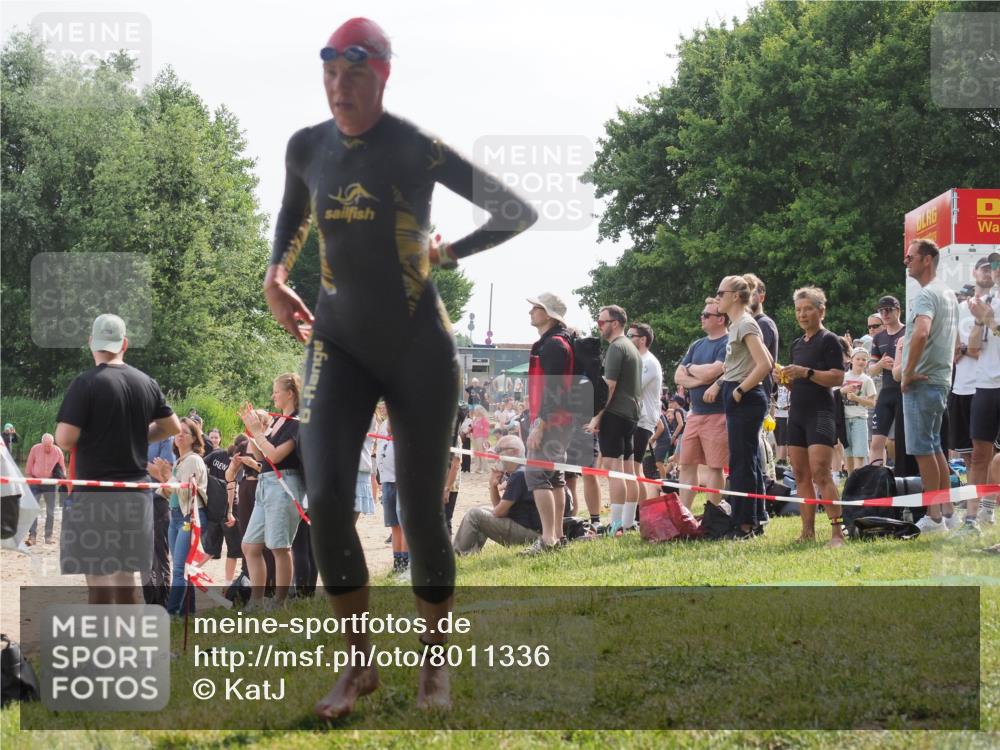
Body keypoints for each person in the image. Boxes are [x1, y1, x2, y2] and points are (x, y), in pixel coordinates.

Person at [264, 16, 537, 718]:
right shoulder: (307, 147)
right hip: (338, 343)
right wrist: (273, 276)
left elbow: (514, 209)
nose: (338, 87)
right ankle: (358, 667)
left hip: (420, 347)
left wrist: (452, 252)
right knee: (324, 499)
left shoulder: (414, 146)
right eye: (329, 73)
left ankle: (433, 670)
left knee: (421, 509)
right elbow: (291, 219)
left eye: (354, 74)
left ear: (381, 74)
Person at [55, 313, 181, 604]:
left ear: (91, 343)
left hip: (95, 495)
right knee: (126, 580)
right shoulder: (146, 382)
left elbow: (64, 438)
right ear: (124, 343)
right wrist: (138, 437)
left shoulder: (85, 383)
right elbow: (171, 427)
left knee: (99, 581)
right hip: (135, 494)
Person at [706, 276, 773, 537]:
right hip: (740, 396)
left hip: (745, 398)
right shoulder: (740, 324)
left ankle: (745, 523)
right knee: (748, 461)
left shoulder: (745, 323)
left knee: (742, 463)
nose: (717, 297)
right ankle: (755, 519)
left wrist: (740, 390)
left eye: (720, 293)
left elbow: (764, 365)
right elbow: (766, 358)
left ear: (735, 296)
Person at [897, 240, 957, 533]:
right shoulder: (947, 292)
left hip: (922, 382)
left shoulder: (926, 295)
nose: (906, 261)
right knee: (935, 448)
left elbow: (921, 333)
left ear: (927, 260)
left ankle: (934, 517)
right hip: (940, 379)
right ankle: (947, 512)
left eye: (910, 257)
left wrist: (907, 372)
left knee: (923, 449)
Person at [779, 287, 846, 546]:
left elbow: (837, 377)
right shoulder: (797, 344)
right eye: (798, 310)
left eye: (807, 309)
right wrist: (786, 379)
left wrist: (805, 372)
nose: (802, 314)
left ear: (821, 310)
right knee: (800, 474)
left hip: (821, 412)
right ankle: (807, 531)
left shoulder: (829, 340)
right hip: (797, 413)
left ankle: (837, 533)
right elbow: (799, 382)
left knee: (821, 473)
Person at [238, 374, 306, 608]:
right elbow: (262, 456)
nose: (272, 396)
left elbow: (277, 455)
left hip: (284, 486)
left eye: (276, 391)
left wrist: (258, 432)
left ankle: (280, 602)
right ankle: (257, 601)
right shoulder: (278, 421)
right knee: (250, 545)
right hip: (265, 484)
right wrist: (252, 432)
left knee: (279, 546)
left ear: (290, 393)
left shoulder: (297, 422)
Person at [453, 435, 568, 554]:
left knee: (474, 514)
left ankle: (460, 553)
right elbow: (500, 509)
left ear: (514, 452)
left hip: (531, 534)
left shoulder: (519, 475)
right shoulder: (520, 471)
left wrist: (493, 487)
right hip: (532, 529)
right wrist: (493, 486)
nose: (496, 455)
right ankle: (470, 551)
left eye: (499, 450)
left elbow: (498, 512)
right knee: (482, 510)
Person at [524, 293, 575, 552]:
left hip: (552, 420)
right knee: (554, 478)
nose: (531, 311)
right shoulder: (556, 341)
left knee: (537, 476)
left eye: (536, 308)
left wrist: (540, 424)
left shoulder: (554, 344)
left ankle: (547, 539)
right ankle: (556, 537)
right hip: (561, 420)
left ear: (549, 314)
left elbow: (555, 389)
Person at [588, 305, 642, 535]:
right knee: (628, 469)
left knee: (614, 470)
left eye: (602, 322)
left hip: (616, 414)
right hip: (630, 414)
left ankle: (617, 525)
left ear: (616, 323)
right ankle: (628, 523)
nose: (599, 326)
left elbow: (609, 386)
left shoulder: (617, 348)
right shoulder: (631, 347)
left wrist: (597, 416)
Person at [149, 417, 209, 616]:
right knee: (183, 569)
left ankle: (172, 612)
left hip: (188, 519)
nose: (180, 435)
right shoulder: (180, 461)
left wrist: (167, 477)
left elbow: (186, 494)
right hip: (176, 518)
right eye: (178, 431)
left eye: (185, 432)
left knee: (180, 570)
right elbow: (169, 493)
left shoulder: (193, 460)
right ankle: (186, 612)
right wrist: (164, 478)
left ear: (194, 438)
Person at [673, 300, 729, 510]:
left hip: (718, 413)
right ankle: (684, 513)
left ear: (720, 319)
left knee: (715, 467)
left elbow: (713, 372)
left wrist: (692, 370)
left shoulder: (728, 342)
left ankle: (713, 514)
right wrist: (700, 377)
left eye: (706, 315)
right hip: (694, 414)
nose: (702, 318)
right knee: (686, 465)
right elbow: (678, 376)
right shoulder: (697, 344)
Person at [964, 252, 1000, 531]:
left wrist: (990, 321)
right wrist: (979, 321)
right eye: (993, 265)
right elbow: (974, 349)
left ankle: (989, 508)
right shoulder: (988, 302)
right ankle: (972, 518)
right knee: (979, 454)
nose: (996, 270)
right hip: (985, 385)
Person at [868, 295, 905, 464]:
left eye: (888, 310)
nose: (885, 313)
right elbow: (871, 370)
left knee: (900, 441)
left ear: (898, 311)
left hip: (905, 391)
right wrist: (881, 364)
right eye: (881, 310)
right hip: (886, 391)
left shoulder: (907, 333)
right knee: (876, 441)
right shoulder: (878, 338)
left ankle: (903, 476)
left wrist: (897, 366)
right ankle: (876, 480)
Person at [628, 322, 663, 500]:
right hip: (634, 419)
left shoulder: (648, 362)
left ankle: (639, 513)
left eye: (630, 336)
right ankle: (637, 513)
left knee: (634, 467)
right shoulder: (637, 360)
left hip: (643, 420)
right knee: (633, 467)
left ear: (642, 339)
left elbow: (631, 387)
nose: (626, 339)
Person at [841, 347, 877, 475]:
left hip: (859, 419)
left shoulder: (867, 380)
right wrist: (843, 391)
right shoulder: (843, 377)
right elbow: (834, 394)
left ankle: (858, 482)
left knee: (859, 454)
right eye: (858, 359)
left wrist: (857, 398)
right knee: (848, 454)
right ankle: (851, 482)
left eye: (864, 359)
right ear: (851, 360)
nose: (861, 362)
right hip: (844, 419)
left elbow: (872, 402)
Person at [25, 433, 65, 545]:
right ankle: (32, 537)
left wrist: (61, 480)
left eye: (50, 445)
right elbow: (29, 466)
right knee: (33, 510)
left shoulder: (58, 451)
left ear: (53, 443)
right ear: (42, 443)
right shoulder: (35, 449)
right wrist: (29, 478)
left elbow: (63, 469)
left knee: (50, 511)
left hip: (50, 483)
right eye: (45, 445)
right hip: (35, 481)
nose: (47, 448)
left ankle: (48, 537)